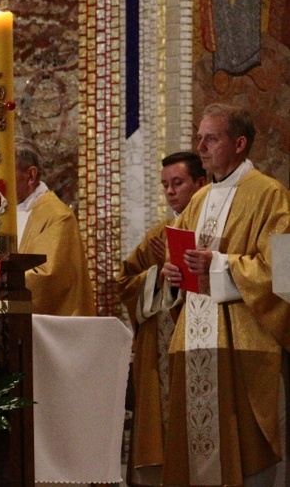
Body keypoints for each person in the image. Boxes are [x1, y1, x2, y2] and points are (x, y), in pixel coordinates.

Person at [159, 103, 290, 486]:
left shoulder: (272, 194)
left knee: (247, 453)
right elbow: (182, 263)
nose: (201, 146)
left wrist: (219, 264)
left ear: (239, 143)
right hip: (197, 340)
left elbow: (282, 275)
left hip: (244, 341)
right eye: (199, 138)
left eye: (211, 138)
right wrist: (173, 274)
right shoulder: (197, 201)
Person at [117, 151, 206, 486]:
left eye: (178, 183)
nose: (170, 192)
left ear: (201, 183)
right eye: (165, 185)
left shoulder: (215, 232)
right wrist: (156, 274)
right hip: (160, 351)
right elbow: (125, 282)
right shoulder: (159, 233)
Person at [14, 138, 96, 316]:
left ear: (30, 175)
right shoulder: (2, 214)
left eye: (4, 173)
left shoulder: (57, 216)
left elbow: (48, 278)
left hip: (48, 328)